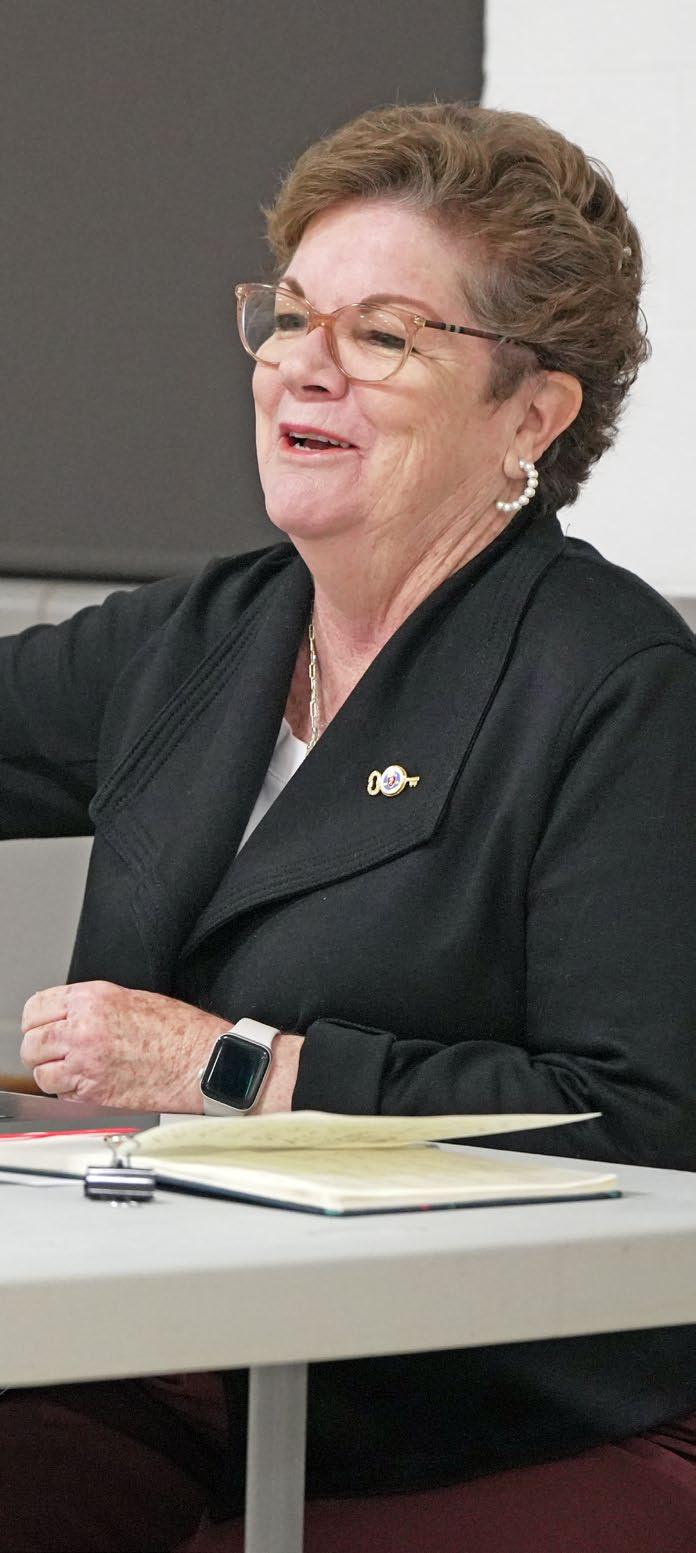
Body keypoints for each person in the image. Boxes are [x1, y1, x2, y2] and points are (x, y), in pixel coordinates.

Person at [1, 100, 695, 1552]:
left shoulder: (618, 686)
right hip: (174, 1348)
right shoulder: (207, 634)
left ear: (532, 414)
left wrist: (233, 1066)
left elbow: (640, 1120)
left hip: (478, 1396)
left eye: (383, 335)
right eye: (291, 316)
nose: (303, 366)